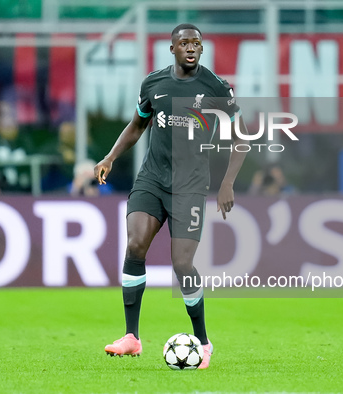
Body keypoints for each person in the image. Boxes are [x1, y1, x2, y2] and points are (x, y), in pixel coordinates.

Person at [94, 23, 247, 369]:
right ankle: (131, 337)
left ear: (201, 49)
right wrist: (110, 157)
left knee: (181, 265)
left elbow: (241, 138)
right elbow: (137, 125)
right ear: (172, 48)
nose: (191, 48)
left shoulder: (216, 88)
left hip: (190, 186)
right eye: (184, 43)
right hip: (151, 179)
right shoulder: (154, 84)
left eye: (196, 43)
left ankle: (204, 342)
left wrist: (227, 183)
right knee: (135, 246)